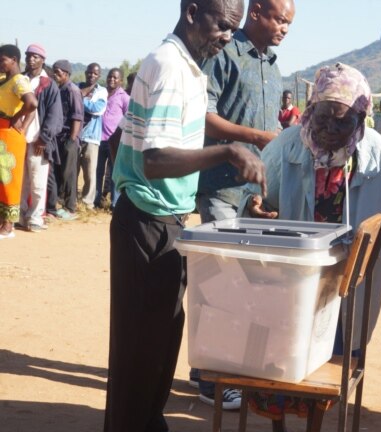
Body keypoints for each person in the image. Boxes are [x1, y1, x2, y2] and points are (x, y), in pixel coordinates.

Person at [240, 63, 381, 430]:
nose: (329, 130)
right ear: (310, 110)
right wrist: (256, 209)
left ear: (361, 119)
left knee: (329, 364)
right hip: (292, 280)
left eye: (342, 122)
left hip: (345, 283)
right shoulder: (285, 148)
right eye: (322, 118)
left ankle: (315, 425)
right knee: (280, 362)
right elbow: (255, 200)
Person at [103, 1, 267, 430]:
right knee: (139, 352)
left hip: (167, 221)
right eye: (222, 26)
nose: (227, 37)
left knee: (158, 346)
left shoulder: (191, 68)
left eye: (233, 30)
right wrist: (230, 151)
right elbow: (155, 160)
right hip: (145, 220)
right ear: (192, 12)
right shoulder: (170, 66)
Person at [191, 0, 295, 409]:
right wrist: (255, 137)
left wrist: (259, 190)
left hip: (249, 193)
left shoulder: (272, 64)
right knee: (218, 281)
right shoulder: (224, 52)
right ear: (256, 14)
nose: (285, 28)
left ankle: (230, 367)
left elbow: (267, 140)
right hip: (217, 185)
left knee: (246, 284)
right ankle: (209, 377)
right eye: (280, 19)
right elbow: (203, 116)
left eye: (289, 23)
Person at [19, 43, 63, 233]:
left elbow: (55, 115)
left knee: (38, 182)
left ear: (43, 60)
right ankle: (20, 215)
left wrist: (44, 139)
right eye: (29, 56)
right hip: (20, 138)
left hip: (38, 141)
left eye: (35, 56)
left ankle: (35, 217)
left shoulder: (49, 85)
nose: (31, 59)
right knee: (21, 182)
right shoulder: (20, 80)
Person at [0, 45, 38, 239]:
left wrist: (19, 119)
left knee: (9, 179)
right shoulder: (3, 79)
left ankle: (8, 226)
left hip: (9, 133)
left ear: (14, 60)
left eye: (2, 60)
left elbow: (32, 103)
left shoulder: (18, 81)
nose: (0, 64)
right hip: (1, 133)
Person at [50, 60, 82, 221]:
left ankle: (70, 208)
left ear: (67, 74)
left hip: (69, 138)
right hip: (57, 137)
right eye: (54, 71)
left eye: (58, 72)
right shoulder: (58, 89)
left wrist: (72, 140)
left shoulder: (73, 90)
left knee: (69, 173)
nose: (55, 75)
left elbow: (77, 117)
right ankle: (56, 204)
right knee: (57, 171)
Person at [95, 68, 129, 210]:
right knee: (98, 171)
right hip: (99, 139)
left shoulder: (124, 97)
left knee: (115, 173)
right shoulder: (101, 93)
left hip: (115, 142)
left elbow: (128, 117)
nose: (112, 80)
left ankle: (115, 203)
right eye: (110, 77)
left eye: (115, 78)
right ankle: (96, 200)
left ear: (121, 81)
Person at [78, 63, 108, 208]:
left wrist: (81, 99)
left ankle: (87, 203)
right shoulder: (78, 86)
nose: (92, 75)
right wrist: (83, 98)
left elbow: (97, 109)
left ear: (99, 76)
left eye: (95, 74)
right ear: (85, 73)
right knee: (72, 171)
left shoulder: (101, 91)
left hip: (91, 137)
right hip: (76, 135)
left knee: (90, 172)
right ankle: (70, 200)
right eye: (90, 73)